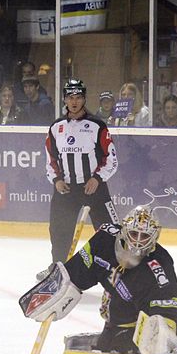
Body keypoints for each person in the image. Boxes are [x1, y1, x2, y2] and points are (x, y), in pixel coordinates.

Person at [21, 206, 177, 354]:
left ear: (155, 238)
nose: (138, 241)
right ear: (123, 230)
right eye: (133, 233)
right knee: (107, 346)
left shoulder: (159, 265)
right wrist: (61, 286)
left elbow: (171, 304)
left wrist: (163, 329)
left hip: (134, 327)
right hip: (115, 318)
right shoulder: (104, 239)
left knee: (137, 347)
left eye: (144, 236)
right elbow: (80, 269)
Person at [38, 79, 118, 279]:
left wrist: (97, 179)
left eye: (78, 97)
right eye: (70, 97)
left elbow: (111, 158)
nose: (74, 102)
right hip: (66, 190)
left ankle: (115, 270)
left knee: (110, 231)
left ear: (84, 99)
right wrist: (56, 180)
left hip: (94, 189)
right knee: (59, 230)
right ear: (65, 99)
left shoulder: (97, 126)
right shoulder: (56, 127)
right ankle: (58, 269)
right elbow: (50, 159)